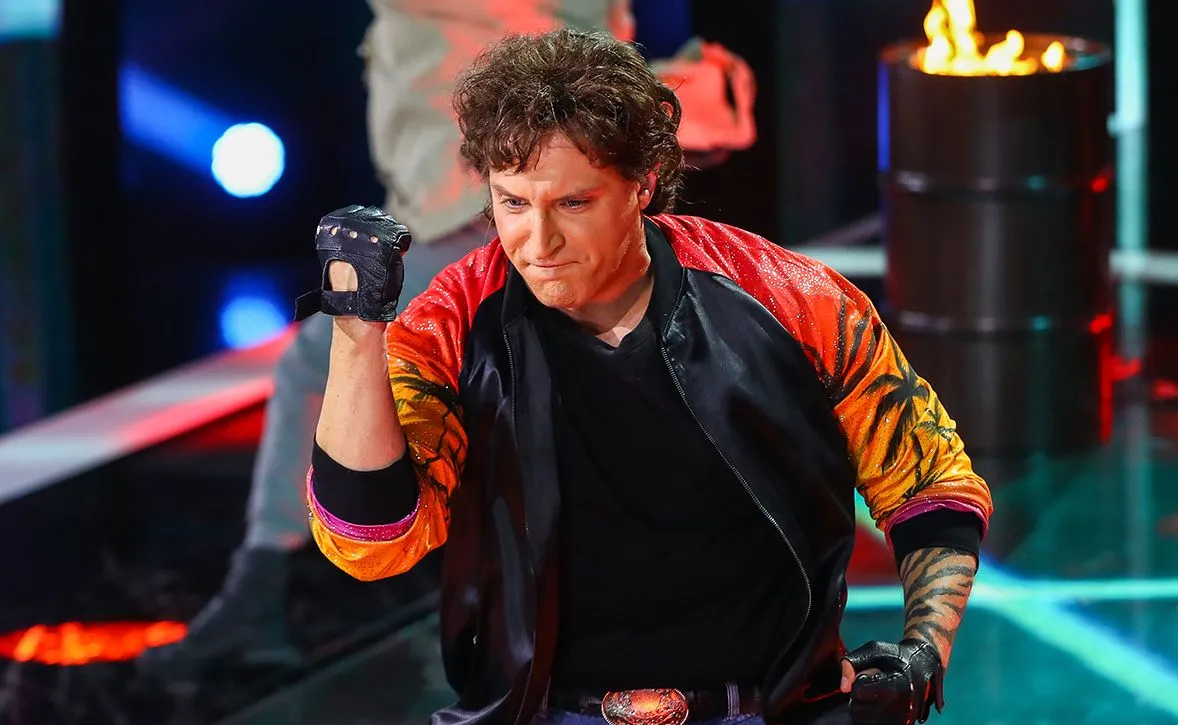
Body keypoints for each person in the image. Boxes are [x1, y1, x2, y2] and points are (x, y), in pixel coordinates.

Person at [304, 28, 991, 725]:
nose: (538, 241)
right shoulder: (454, 320)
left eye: (573, 202)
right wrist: (357, 329)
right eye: (513, 203)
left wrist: (922, 653)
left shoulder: (790, 299)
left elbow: (932, 485)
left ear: (644, 183)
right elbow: (370, 543)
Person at [139, 0, 756, 678]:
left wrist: (661, 103)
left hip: (483, 204)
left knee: (336, 362)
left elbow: (567, 45)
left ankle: (269, 592)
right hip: (471, 198)